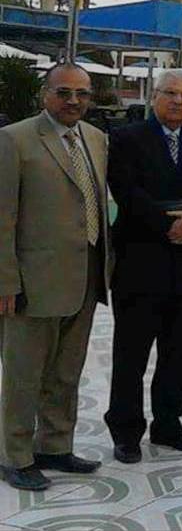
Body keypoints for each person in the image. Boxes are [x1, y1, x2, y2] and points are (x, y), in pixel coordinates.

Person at [104, 68, 182, 463]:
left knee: (178, 351)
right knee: (131, 354)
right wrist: (170, 225)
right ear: (155, 95)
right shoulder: (125, 139)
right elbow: (127, 192)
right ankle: (126, 431)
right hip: (141, 263)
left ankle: (169, 424)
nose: (177, 101)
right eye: (170, 93)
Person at [0, 64, 112, 491]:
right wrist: (5, 282)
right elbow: (3, 218)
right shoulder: (15, 140)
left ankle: (55, 445)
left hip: (85, 277)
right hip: (32, 283)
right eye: (64, 92)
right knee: (24, 375)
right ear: (45, 94)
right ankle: (14, 455)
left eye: (82, 93)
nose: (73, 101)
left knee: (66, 372)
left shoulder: (96, 139)